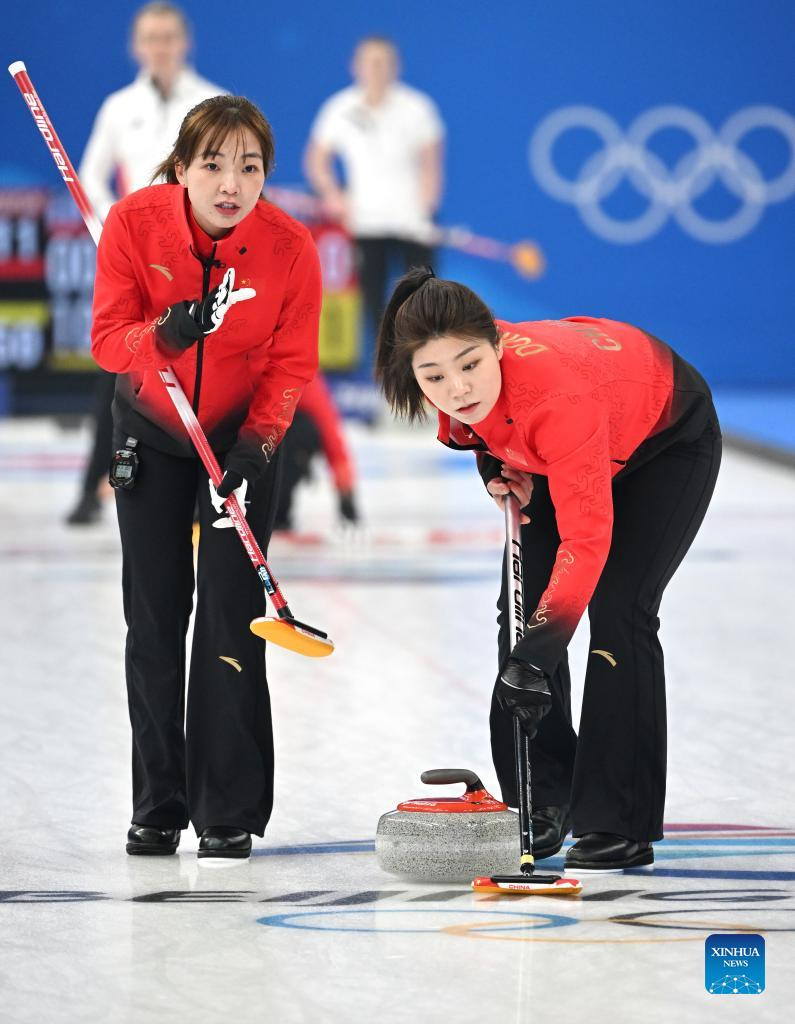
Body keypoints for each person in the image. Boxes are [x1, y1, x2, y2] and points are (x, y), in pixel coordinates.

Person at [375, 268, 722, 872]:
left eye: (470, 365)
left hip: (663, 439)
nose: (457, 388)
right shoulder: (455, 389)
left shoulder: (557, 400)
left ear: (498, 346)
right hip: (569, 443)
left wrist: (535, 659)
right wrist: (497, 470)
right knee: (522, 617)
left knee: (618, 611)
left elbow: (587, 541)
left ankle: (617, 820)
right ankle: (541, 800)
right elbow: (478, 434)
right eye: (434, 377)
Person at [91, 95, 322, 859]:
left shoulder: (290, 247)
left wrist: (256, 448)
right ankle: (158, 803)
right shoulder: (133, 223)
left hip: (239, 437)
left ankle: (227, 808)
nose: (231, 183)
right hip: (152, 431)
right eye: (213, 164)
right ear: (182, 167)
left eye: (250, 167)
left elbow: (291, 365)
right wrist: (161, 334)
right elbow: (107, 342)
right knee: (155, 616)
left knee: (231, 615)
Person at [67, 1, 223, 525]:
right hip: (134, 260)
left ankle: (208, 492)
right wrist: (115, 227)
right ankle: (91, 489)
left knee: (202, 377)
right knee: (116, 374)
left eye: (169, 36)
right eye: (151, 38)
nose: (160, 47)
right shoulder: (119, 107)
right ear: (137, 46)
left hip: (195, 258)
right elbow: (90, 176)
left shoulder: (211, 102)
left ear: (185, 42)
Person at [304, 36, 444, 394]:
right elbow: (316, 159)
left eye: (383, 62)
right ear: (356, 66)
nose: (376, 69)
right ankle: (390, 387)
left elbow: (432, 163)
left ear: (395, 67)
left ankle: (431, 383)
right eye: (369, 62)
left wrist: (427, 207)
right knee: (376, 309)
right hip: (365, 226)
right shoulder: (339, 108)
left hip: (413, 226)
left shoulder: (418, 108)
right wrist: (333, 195)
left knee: (424, 305)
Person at [274, 372, 360, 531]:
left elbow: (330, 436)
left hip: (280, 445)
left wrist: (346, 496)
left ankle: (276, 506)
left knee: (302, 429)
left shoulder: (304, 379)